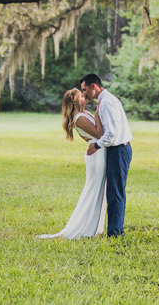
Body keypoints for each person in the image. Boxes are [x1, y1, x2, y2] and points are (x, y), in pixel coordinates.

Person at [37, 88, 106, 239]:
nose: (85, 95)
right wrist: (98, 116)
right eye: (82, 95)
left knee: (100, 191)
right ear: (75, 101)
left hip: (100, 153)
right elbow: (99, 134)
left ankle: (94, 226)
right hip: (96, 156)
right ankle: (84, 227)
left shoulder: (85, 113)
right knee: (93, 190)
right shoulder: (79, 118)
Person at [79, 73, 132, 237]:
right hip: (117, 149)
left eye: (85, 89)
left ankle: (115, 233)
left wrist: (97, 144)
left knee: (115, 193)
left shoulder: (107, 102)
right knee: (114, 192)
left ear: (93, 86)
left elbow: (112, 133)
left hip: (119, 149)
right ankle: (115, 230)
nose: (84, 94)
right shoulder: (106, 100)